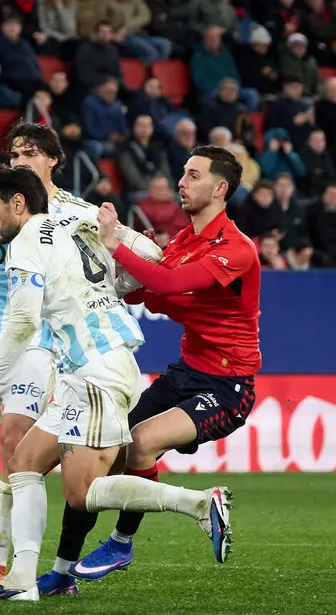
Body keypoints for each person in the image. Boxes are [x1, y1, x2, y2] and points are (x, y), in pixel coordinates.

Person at [0, 121, 155, 592]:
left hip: (38, 340)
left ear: (53, 160)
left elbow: (114, 267)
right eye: (14, 153)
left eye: (29, 153)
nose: (19, 161)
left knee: (15, 446)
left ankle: (2, 561)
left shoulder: (78, 213)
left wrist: (130, 280)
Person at [56, 145, 259, 586]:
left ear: (220, 188)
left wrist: (117, 245)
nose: (181, 182)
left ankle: (122, 544)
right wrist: (114, 267)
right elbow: (151, 293)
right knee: (114, 448)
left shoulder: (237, 250)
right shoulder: (185, 240)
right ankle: (62, 570)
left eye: (193, 175)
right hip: (186, 372)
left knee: (142, 442)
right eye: (182, 173)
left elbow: (170, 282)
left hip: (228, 385)